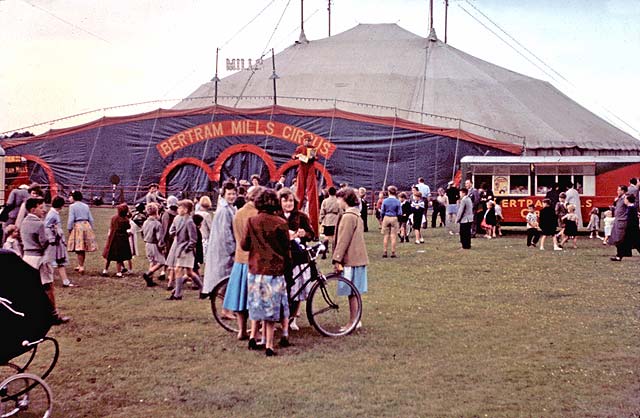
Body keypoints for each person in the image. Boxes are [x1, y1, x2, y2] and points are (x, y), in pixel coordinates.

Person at [241, 188, 291, 357]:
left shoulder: (252, 221)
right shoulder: (280, 222)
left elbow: (244, 245)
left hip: (255, 269)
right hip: (274, 271)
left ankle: (253, 337)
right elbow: (286, 248)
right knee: (271, 310)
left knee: (256, 305)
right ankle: (269, 345)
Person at [20, 197, 69, 325]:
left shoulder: (24, 222)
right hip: (40, 258)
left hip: (27, 258)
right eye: (41, 208)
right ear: (32, 209)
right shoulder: (39, 224)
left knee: (31, 287)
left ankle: (31, 313)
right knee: (48, 287)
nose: (44, 210)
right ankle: (53, 315)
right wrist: (54, 236)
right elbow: (43, 243)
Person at [223, 186, 261, 340]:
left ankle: (241, 330)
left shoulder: (238, 213)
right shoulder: (257, 214)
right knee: (254, 298)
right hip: (253, 260)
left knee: (240, 297)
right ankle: (254, 330)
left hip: (240, 259)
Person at [278, 187, 315, 342]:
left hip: (298, 257)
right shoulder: (276, 216)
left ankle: (292, 318)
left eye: (291, 200)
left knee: (297, 289)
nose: (288, 204)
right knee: (284, 290)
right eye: (285, 200)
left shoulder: (301, 216)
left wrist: (304, 234)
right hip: (282, 257)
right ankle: (280, 318)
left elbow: (312, 234)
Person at [332, 187, 368, 330]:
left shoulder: (348, 217)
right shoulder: (356, 215)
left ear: (344, 199)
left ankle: (353, 321)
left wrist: (337, 258)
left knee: (351, 293)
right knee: (355, 292)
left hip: (350, 260)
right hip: (358, 258)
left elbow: (343, 240)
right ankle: (356, 319)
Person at [202, 182, 237, 298]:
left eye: (233, 194)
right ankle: (224, 310)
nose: (232, 196)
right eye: (229, 194)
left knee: (226, 279)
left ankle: (225, 309)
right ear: (223, 195)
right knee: (224, 279)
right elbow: (225, 234)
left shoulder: (230, 209)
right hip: (224, 251)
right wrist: (233, 249)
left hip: (225, 250)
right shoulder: (224, 211)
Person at [167, 200, 203, 299]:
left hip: (186, 249)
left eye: (180, 208)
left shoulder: (190, 221)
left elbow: (193, 239)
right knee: (189, 272)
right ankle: (203, 289)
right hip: (179, 248)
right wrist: (173, 233)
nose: (178, 209)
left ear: (186, 210)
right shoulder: (177, 219)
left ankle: (177, 294)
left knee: (178, 269)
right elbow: (172, 229)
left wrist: (188, 249)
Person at [44, 196, 75, 287]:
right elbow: (46, 226)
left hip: (58, 241)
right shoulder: (52, 214)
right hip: (54, 242)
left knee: (60, 261)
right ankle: (48, 281)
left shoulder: (54, 213)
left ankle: (65, 281)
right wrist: (53, 236)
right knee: (51, 261)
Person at [67, 190, 97, 274]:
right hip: (86, 225)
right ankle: (80, 264)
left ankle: (81, 266)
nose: (69, 198)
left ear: (74, 197)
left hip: (78, 226)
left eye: (70, 196)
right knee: (82, 247)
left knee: (79, 247)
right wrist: (91, 228)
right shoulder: (86, 206)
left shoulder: (72, 207)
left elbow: (71, 219)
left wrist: (69, 228)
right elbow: (91, 218)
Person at [102, 204, 133, 278]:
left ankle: (105, 270)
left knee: (109, 256)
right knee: (119, 256)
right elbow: (128, 227)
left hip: (112, 238)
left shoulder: (114, 218)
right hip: (122, 240)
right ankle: (119, 272)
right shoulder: (125, 220)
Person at [611, 194, 640, 261]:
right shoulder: (632, 208)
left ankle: (619, 256)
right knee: (631, 244)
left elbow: (632, 220)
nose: (624, 200)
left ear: (627, 200)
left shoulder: (631, 209)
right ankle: (619, 256)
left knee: (623, 243)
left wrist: (628, 228)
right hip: (633, 229)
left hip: (631, 230)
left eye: (625, 199)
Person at [140, 202, 163, 287]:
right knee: (162, 262)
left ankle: (150, 280)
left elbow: (142, 232)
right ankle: (148, 273)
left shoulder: (145, 222)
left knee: (152, 261)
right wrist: (162, 246)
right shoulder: (157, 224)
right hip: (154, 244)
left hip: (147, 243)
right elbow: (159, 237)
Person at [160, 195, 179, 283]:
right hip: (176, 238)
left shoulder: (166, 214)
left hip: (168, 238)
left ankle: (164, 272)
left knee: (167, 255)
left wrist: (162, 240)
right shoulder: (179, 214)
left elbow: (164, 228)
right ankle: (172, 274)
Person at [380, 185, 402, 258]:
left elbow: (382, 211)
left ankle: (385, 251)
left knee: (386, 235)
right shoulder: (397, 201)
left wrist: (382, 218)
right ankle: (393, 252)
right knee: (393, 236)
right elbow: (399, 212)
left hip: (386, 217)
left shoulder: (385, 201)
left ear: (388, 192)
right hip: (394, 217)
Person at [319, 186, 341, 252]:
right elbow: (340, 211)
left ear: (328, 193)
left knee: (326, 236)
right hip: (335, 219)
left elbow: (322, 211)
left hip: (327, 219)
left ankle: (325, 250)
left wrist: (321, 219)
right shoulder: (338, 201)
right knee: (334, 236)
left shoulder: (325, 201)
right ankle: (334, 250)